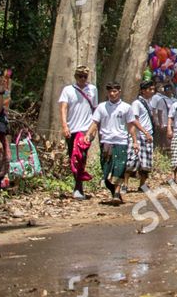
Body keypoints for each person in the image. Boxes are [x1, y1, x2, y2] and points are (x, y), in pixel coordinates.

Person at [89, 82, 141, 204]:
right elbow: (95, 122)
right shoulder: (101, 107)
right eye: (110, 92)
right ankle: (114, 191)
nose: (112, 94)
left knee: (120, 168)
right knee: (105, 170)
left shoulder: (126, 107)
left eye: (115, 91)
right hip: (106, 141)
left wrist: (135, 141)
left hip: (121, 141)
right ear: (107, 93)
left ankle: (117, 193)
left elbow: (131, 125)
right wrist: (88, 134)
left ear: (119, 92)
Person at [57, 66, 98, 200]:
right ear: (75, 76)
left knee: (82, 156)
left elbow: (95, 109)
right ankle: (78, 185)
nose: (82, 79)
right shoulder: (68, 90)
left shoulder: (92, 89)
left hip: (86, 129)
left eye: (85, 76)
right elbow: (63, 108)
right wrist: (64, 126)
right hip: (72, 128)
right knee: (73, 157)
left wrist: (94, 128)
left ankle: (78, 187)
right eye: (80, 76)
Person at [127, 81, 157, 192]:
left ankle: (142, 185)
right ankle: (125, 184)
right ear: (143, 91)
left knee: (146, 163)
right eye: (150, 89)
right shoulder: (137, 103)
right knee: (131, 161)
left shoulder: (149, 103)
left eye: (153, 89)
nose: (152, 92)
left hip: (147, 136)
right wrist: (143, 132)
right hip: (139, 136)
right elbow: (134, 120)